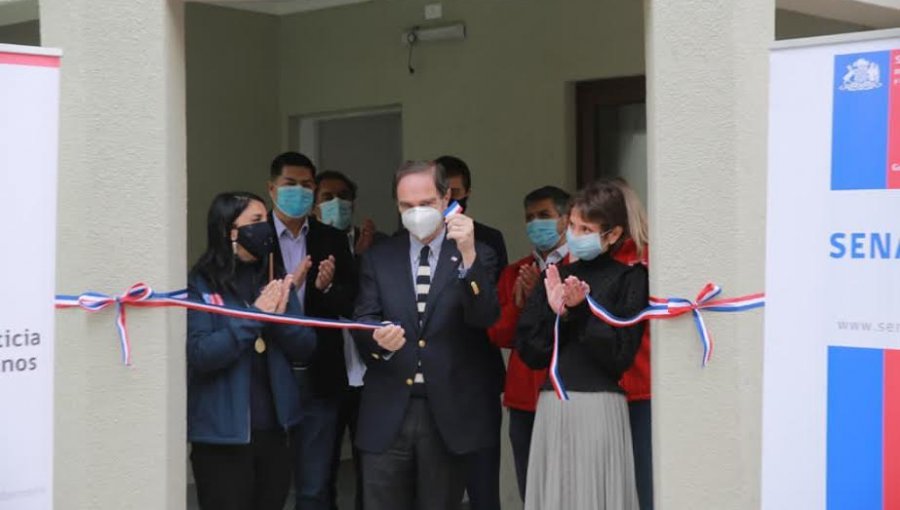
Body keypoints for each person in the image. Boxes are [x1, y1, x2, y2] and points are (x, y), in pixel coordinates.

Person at [351, 160, 501, 510]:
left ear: (447, 198)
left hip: (447, 414)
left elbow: (485, 317)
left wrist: (468, 254)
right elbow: (364, 319)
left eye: (427, 203)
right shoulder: (379, 257)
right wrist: (378, 341)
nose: (417, 212)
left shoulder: (479, 254)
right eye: (407, 206)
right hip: (388, 411)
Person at [516, 181, 648, 510]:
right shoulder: (555, 274)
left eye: (586, 228)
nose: (576, 234)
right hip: (553, 404)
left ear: (613, 234)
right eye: (572, 225)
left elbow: (619, 356)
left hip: (599, 406)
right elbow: (531, 352)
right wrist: (554, 310)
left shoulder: (630, 279)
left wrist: (581, 312)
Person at [187, 191, 317, 510]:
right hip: (222, 438)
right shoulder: (200, 284)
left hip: (275, 432)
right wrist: (256, 317)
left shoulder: (274, 279)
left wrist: (280, 316)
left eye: (265, 221)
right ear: (230, 230)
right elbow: (202, 354)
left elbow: (306, 347)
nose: (265, 229)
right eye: (255, 222)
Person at [265, 152, 358, 510]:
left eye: (307, 186)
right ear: (272, 188)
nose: (300, 192)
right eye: (291, 184)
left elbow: (351, 303)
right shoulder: (254, 238)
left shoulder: (332, 240)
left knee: (314, 488)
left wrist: (328, 287)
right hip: (267, 375)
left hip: (319, 375)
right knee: (267, 485)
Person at [486, 185, 571, 501]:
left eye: (544, 216)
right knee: (532, 489)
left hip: (569, 394)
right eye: (530, 218)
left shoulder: (580, 267)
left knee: (571, 488)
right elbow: (499, 335)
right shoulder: (514, 272)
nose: (536, 223)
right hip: (524, 398)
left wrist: (541, 296)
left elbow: (578, 331)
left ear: (565, 219)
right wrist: (520, 304)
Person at [434, 154, 506, 510]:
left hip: (476, 372)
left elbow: (491, 306)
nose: (449, 200)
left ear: (468, 193)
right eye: (441, 193)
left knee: (482, 482)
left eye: (456, 192)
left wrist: (468, 252)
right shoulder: (403, 241)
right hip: (428, 377)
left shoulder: (488, 240)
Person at [313, 169, 386, 510]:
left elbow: (366, 303)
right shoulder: (311, 245)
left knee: (371, 468)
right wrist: (355, 260)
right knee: (321, 468)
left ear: (354, 202)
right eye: (326, 197)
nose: (335, 202)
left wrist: (362, 258)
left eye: (342, 195)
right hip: (327, 373)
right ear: (315, 206)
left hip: (371, 375)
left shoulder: (380, 245)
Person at [610, 177, 653, 510]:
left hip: (642, 389)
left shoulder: (649, 257)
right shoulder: (590, 262)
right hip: (601, 391)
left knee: (645, 485)